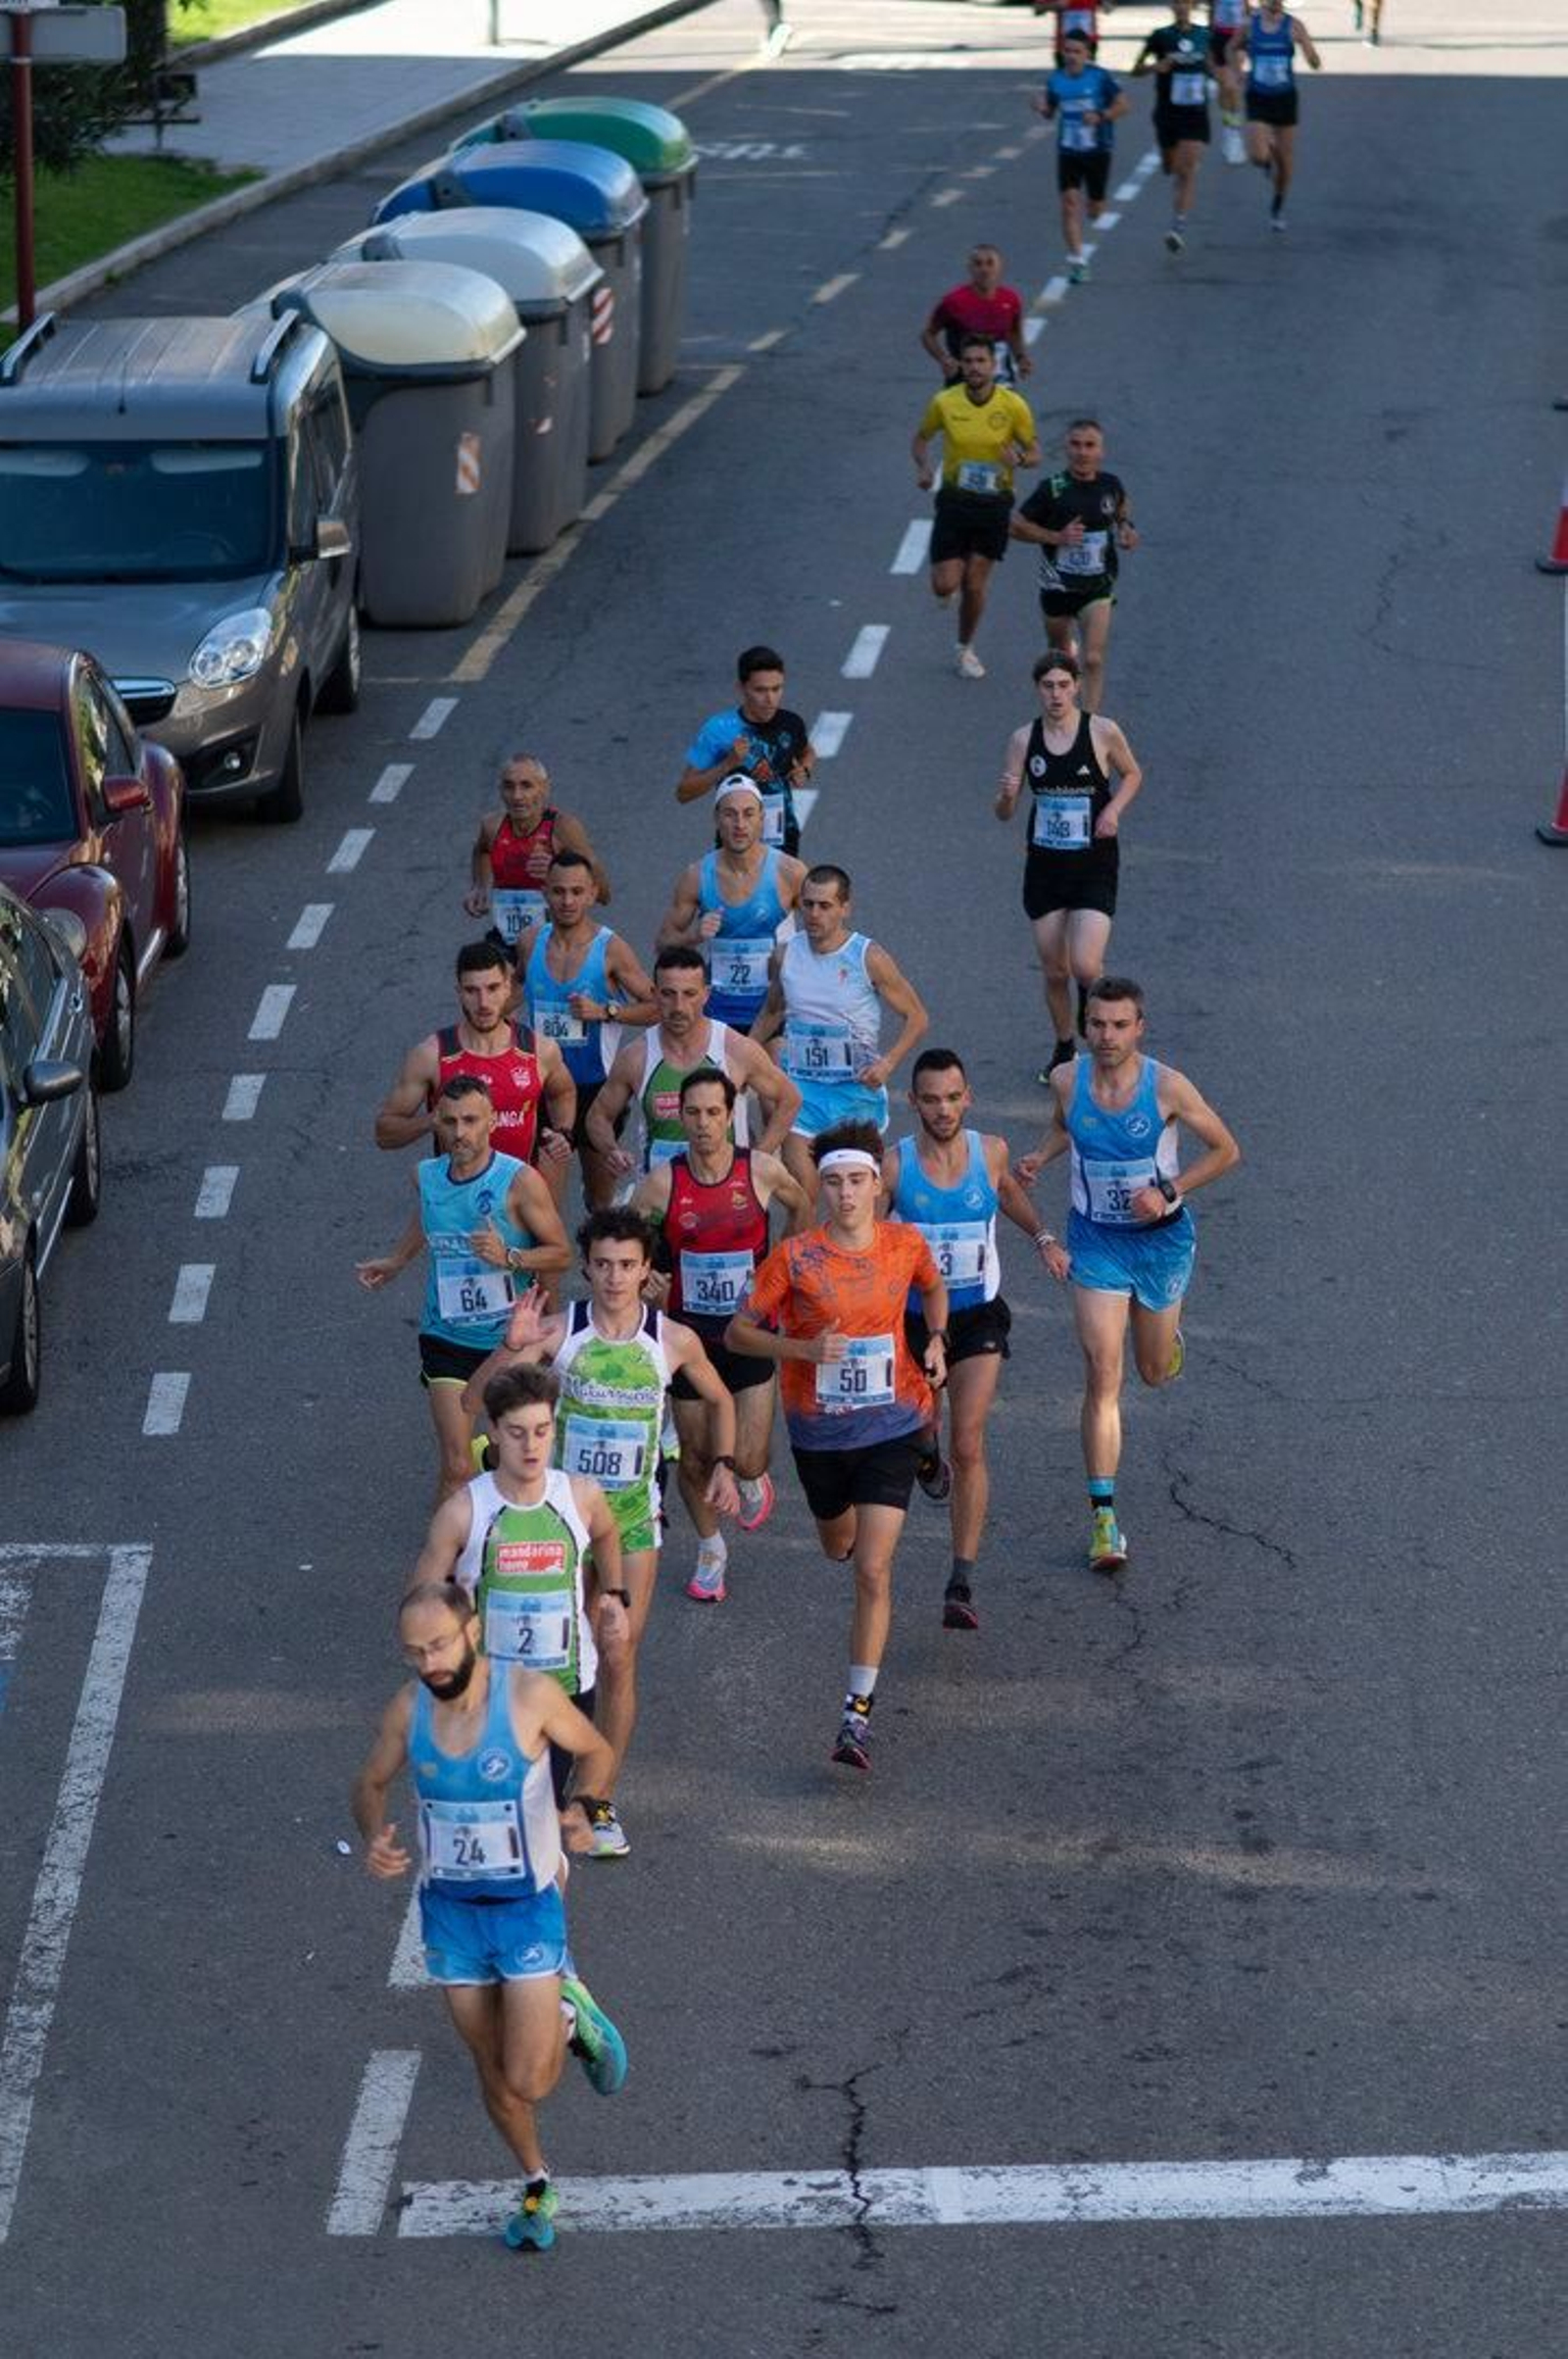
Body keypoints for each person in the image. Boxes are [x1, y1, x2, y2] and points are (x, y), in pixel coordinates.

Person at [351, 1581, 626, 2253]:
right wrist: (373, 1834)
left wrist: (584, 1807)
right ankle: (535, 2182)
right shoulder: (409, 1710)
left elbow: (595, 1749)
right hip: (451, 1916)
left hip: (525, 1910)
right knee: (494, 2071)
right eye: (415, 1652)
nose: (430, 1662)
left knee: (531, 2074)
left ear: (472, 1631)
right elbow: (369, 1782)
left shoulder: (527, 1696)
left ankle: (570, 2012)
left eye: (440, 1644)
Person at [463, 1208, 741, 1858]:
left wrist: (723, 1464)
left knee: (616, 1652)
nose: (615, 1277)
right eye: (604, 1264)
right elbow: (474, 1400)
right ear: (587, 1267)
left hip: (634, 1523)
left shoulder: (671, 1341)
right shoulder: (561, 1334)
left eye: (628, 1265)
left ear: (648, 1271)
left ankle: (597, 1799)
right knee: (552, 1655)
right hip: (561, 1526)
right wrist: (511, 1345)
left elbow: (721, 1399)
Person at [726, 1123, 948, 1774]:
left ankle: (856, 1715)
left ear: (879, 1185)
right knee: (838, 1547)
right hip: (820, 1434)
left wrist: (936, 1340)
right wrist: (800, 1349)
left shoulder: (906, 1243)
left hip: (892, 1423)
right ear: (820, 1188)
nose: (846, 1194)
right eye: (834, 1182)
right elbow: (740, 1333)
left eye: (857, 1180)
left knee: (872, 1570)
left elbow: (934, 1288)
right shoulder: (795, 1259)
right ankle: (930, 1456)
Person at [1016, 977, 1240, 1572]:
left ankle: (1166, 1339)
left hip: (1160, 1243)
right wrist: (1042, 1154)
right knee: (1102, 1372)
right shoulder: (1069, 1080)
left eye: (1119, 1025)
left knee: (1152, 1370)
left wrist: (1169, 1190)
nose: (1106, 1035)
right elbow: (1068, 1125)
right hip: (1096, 1241)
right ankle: (1104, 1519)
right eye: (1096, 1024)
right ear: (1085, 1027)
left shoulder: (1166, 1086)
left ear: (1140, 1028)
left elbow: (1225, 1150)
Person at [883, 1050, 1053, 1631]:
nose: (943, 1109)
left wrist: (1043, 1237)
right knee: (922, 1432)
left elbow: (1005, 1191)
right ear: (914, 1103)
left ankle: (961, 1578)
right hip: (911, 1321)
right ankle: (926, 1456)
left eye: (953, 1097)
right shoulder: (895, 1166)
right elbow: (867, 1234)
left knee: (970, 1441)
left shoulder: (991, 1151)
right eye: (931, 1099)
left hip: (978, 1314)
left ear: (968, 1098)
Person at [412, 1362, 630, 1804]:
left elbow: (607, 1533)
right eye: (516, 1432)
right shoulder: (464, 1512)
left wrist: (613, 1595)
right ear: (492, 1431)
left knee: (541, 1824)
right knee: (499, 1823)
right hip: (490, 1697)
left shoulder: (581, 1497)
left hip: (567, 1686)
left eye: (542, 1430)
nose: (531, 1446)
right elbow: (421, 1600)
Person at [630, 1066, 808, 1600]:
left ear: (731, 1117)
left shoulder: (763, 1171)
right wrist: (649, 1278)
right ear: (680, 1118)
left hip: (748, 1330)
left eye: (714, 1113)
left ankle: (752, 1476)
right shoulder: (663, 1183)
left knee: (749, 1457)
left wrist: (779, 1268)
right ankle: (711, 1549)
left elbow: (802, 1204)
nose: (704, 1124)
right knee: (696, 1453)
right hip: (687, 1338)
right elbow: (632, 1242)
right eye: (693, 1113)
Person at [356, 1074, 572, 1501]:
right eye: (450, 1121)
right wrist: (398, 1260)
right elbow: (429, 1217)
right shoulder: (426, 1176)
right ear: (438, 1121)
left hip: (508, 1342)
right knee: (455, 1466)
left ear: (492, 1121)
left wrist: (510, 1257)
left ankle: (493, 1474)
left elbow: (561, 1253)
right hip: (446, 1335)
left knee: (509, 1457)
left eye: (471, 1120)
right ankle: (448, 1567)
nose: (461, 1133)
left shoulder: (519, 1182)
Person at [995, 649, 1144, 1084]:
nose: (1056, 694)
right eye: (1047, 686)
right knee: (1055, 969)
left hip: (1093, 863)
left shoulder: (1101, 731)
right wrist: (1006, 795)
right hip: (1044, 865)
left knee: (1084, 964)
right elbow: (1004, 811)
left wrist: (1113, 810)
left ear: (1077, 685)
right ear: (1037, 690)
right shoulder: (1024, 739)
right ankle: (1063, 1047)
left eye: (1063, 685)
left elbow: (1133, 774)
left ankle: (1093, 1019)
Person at [752, 863, 930, 1196]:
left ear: (845, 908)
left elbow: (917, 1016)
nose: (814, 914)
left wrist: (887, 1063)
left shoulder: (868, 957)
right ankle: (797, 1249)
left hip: (855, 1097)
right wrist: (735, 1055)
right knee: (805, 1191)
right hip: (801, 1094)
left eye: (825, 905)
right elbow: (773, 1011)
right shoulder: (785, 954)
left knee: (853, 1199)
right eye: (808, 904)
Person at [373, 939, 576, 1203]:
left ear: (507, 988)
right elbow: (384, 1133)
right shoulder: (433, 1055)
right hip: (457, 1205)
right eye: (472, 991)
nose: (483, 1002)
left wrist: (562, 1132)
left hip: (520, 1201)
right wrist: (433, 1121)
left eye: (492, 988)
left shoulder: (539, 1050)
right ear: (459, 992)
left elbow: (563, 1092)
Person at [584, 942, 801, 1179]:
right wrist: (611, 1150)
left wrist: (758, 1158)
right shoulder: (636, 1056)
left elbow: (789, 1099)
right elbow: (598, 1116)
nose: (679, 1007)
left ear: (706, 995)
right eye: (668, 994)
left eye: (689, 994)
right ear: (655, 995)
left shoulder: (735, 1049)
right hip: (660, 1197)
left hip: (725, 1194)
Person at [515, 851, 658, 1208]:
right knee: (541, 1201)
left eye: (577, 892)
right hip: (543, 1087)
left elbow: (658, 1006)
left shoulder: (610, 949)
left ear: (593, 894)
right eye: (559, 891)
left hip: (596, 1090)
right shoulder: (530, 941)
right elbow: (513, 990)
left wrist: (606, 1011)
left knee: (599, 1202)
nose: (567, 901)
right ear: (545, 891)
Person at [911, 335, 1041, 680]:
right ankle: (948, 585)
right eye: (968, 361)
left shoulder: (1013, 406)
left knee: (975, 583)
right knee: (944, 585)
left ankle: (964, 649)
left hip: (994, 504)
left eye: (981, 361)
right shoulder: (945, 402)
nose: (974, 367)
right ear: (961, 365)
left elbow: (1035, 452)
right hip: (955, 500)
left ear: (993, 366)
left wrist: (1022, 459)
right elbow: (921, 438)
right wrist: (924, 468)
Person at [658, 776, 807, 1037]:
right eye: (730, 814)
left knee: (768, 1073)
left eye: (748, 814)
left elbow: (827, 935)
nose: (740, 824)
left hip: (773, 1012)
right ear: (716, 820)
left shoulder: (789, 872)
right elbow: (662, 944)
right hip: (715, 1012)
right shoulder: (696, 876)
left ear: (762, 818)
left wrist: (790, 956)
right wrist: (694, 936)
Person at [1009, 419, 1138, 713]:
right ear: (1066, 449)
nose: (1083, 452)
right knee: (1061, 659)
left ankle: (1088, 727)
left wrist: (1126, 528)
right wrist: (1056, 536)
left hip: (1097, 586)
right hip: (1057, 586)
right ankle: (1064, 704)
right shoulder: (1052, 489)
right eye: (1076, 444)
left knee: (1093, 659)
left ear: (1101, 451)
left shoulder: (1110, 484)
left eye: (1090, 445)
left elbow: (1121, 507)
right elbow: (1015, 526)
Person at [462, 754, 610, 955]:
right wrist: (479, 886)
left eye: (526, 786)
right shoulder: (492, 826)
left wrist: (557, 873)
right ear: (500, 790)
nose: (517, 796)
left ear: (544, 788)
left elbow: (603, 894)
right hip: (506, 940)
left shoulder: (563, 829)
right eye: (509, 786)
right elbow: (481, 851)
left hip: (557, 942)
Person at [675, 646, 816, 857]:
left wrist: (804, 769)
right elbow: (683, 792)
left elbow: (808, 751)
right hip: (736, 842)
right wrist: (727, 764)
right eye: (760, 690)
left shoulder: (791, 723)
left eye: (777, 689)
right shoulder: (719, 729)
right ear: (741, 688)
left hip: (783, 836)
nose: (770, 699)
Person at [1032, 30, 1129, 283]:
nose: (1072, 56)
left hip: (1098, 149)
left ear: (1087, 54)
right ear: (1062, 52)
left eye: (1077, 51)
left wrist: (1101, 116)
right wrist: (1041, 107)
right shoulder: (1055, 80)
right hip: (1068, 151)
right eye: (1068, 51)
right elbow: (1050, 112)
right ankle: (1077, 260)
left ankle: (1095, 205)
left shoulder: (1100, 77)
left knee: (1096, 210)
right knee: (1069, 204)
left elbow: (1123, 106)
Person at [1134, 0, 1215, 250]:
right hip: (1167, 113)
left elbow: (1214, 66)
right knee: (1171, 166)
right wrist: (1155, 67)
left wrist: (1228, 78)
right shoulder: (1160, 37)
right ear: (1172, 6)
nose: (1182, 7)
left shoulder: (1205, 36)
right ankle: (1168, 159)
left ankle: (1178, 226)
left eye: (1186, 3)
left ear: (1192, 6)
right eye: (1177, 3)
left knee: (1186, 169)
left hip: (1195, 113)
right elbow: (1135, 70)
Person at [1234, 2, 1322, 229]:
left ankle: (1278, 204)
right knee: (1257, 155)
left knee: (1286, 161)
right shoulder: (1249, 26)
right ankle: (1266, 157)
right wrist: (1237, 71)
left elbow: (1313, 59)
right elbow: (1230, 47)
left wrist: (1311, 54)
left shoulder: (1294, 26)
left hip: (1285, 98)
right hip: (1258, 96)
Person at [919, 245, 1032, 389]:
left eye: (990, 263)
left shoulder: (1010, 299)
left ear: (1000, 267)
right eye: (978, 264)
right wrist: (943, 359)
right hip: (962, 382)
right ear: (970, 268)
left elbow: (1014, 333)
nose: (984, 269)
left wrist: (1021, 358)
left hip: (1001, 381)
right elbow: (928, 334)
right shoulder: (953, 301)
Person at [1208, 0, 1250, 155]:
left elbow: (1247, 9)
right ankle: (1228, 126)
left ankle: (1235, 132)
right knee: (1224, 88)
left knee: (1232, 86)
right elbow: (1212, 10)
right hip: (1219, 36)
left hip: (1238, 37)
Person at [1033, 1, 1114, 66]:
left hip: (1088, 47)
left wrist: (1106, 3)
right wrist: (1056, 4)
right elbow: (1037, 8)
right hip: (1064, 47)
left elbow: (1108, 9)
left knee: (1086, 84)